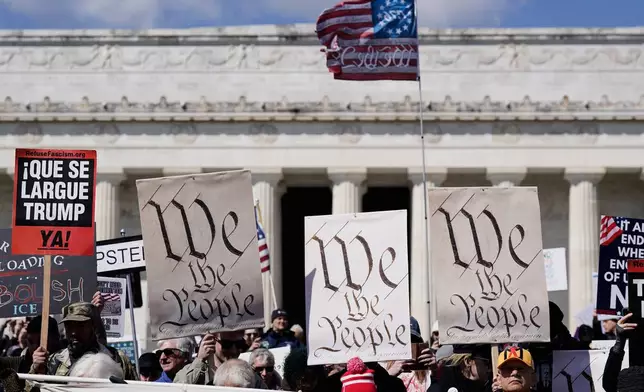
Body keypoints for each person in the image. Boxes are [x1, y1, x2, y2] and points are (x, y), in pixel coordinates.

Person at [29, 302, 137, 380]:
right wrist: (36, 370)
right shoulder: (54, 361)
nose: (73, 332)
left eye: (80, 326)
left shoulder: (117, 358)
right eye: (69, 326)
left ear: (93, 326)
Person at [174, 330, 247, 385]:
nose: (233, 350)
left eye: (239, 344)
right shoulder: (193, 370)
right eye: (226, 344)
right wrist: (200, 360)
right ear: (211, 341)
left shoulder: (247, 373)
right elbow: (178, 388)